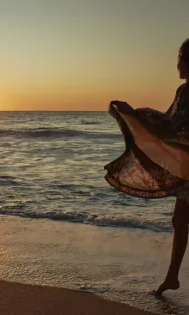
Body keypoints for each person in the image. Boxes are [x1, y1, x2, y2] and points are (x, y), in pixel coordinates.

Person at [104, 38, 189, 296]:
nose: (177, 65)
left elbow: (168, 125)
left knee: (181, 219)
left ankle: (173, 277)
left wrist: (133, 113)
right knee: (180, 219)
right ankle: (172, 277)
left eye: (179, 59)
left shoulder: (185, 91)